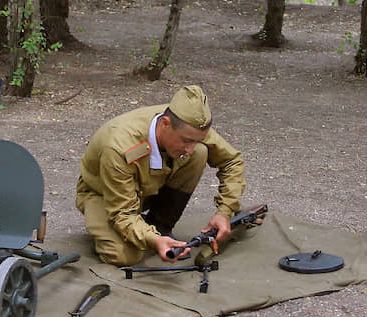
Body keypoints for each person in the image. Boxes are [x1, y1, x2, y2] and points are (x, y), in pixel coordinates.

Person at [75, 85, 245, 266]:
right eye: (186, 141)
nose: (190, 148)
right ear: (165, 124)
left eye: (197, 140)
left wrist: (224, 212)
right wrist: (153, 240)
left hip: (145, 189)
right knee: (124, 256)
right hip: (104, 195)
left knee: (200, 153)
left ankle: (161, 225)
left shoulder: (190, 124)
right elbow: (122, 213)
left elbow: (232, 160)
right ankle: (125, 232)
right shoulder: (118, 147)